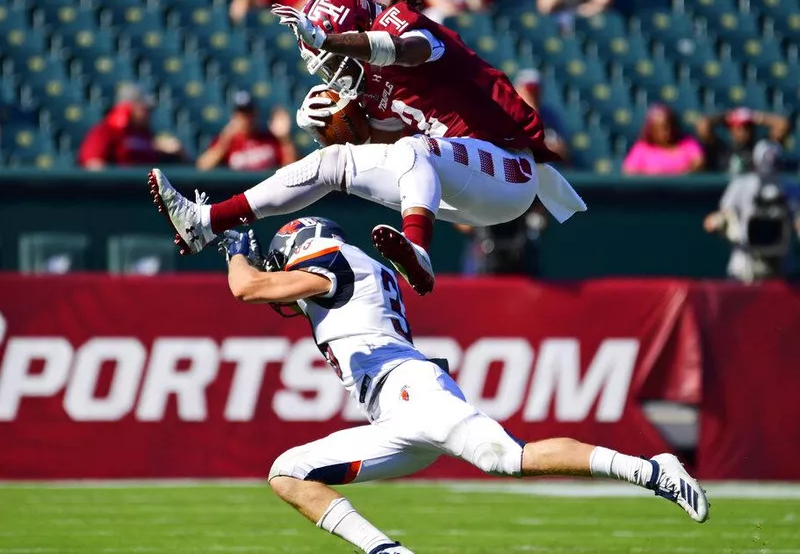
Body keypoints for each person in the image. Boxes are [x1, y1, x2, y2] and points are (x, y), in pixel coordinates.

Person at [215, 216, 708, 554]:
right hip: (393, 414)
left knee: (509, 458)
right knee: (289, 473)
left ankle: (651, 470)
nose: (285, 273)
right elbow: (269, 291)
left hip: (411, 392)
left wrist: (237, 251)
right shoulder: (351, 269)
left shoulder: (335, 258)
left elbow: (246, 289)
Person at [149, 0, 586, 297]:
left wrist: (332, 40)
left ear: (354, 32)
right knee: (333, 162)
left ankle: (417, 250)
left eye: (332, 56)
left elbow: (404, 51)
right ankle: (205, 222)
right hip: (458, 179)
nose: (331, 71)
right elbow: (377, 147)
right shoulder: (370, 87)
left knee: (416, 151)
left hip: (512, 171)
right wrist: (321, 129)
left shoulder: (402, 25)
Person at [703, 141, 799, 282]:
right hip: (744, 267)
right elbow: (721, 216)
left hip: (781, 268)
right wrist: (721, 222)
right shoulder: (740, 185)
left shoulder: (792, 189)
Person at [78, 83, 185, 170]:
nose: (148, 114)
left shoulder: (146, 135)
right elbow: (93, 165)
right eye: (144, 109)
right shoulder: (104, 132)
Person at [196, 92, 298, 171]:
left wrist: (285, 139)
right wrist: (224, 140)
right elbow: (203, 166)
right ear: (234, 116)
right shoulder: (227, 141)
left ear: (256, 114)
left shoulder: (270, 138)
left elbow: (292, 169)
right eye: (241, 115)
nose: (246, 119)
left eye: (249, 114)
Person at [697, 107, 791, 175]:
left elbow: (782, 124)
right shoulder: (722, 149)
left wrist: (754, 116)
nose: (743, 131)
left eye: (747, 127)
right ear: (731, 129)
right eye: (738, 127)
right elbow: (703, 126)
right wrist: (725, 116)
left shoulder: (760, 148)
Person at [622, 104, 704, 176]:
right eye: (662, 128)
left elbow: (699, 163)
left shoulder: (688, 143)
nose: (667, 132)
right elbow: (629, 172)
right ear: (652, 129)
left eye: (670, 126)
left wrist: (684, 175)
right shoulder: (641, 148)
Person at [514, 69, 569, 160]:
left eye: (535, 91)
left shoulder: (549, 115)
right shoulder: (507, 111)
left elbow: (563, 151)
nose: (532, 96)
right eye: (529, 91)